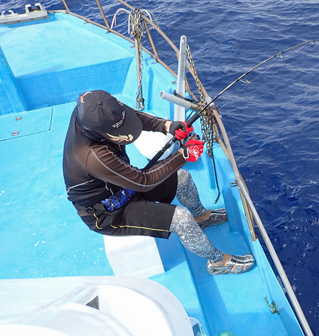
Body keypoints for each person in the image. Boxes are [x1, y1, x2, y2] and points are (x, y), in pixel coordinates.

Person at [62, 90, 254, 275]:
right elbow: (143, 182)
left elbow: (131, 116)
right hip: (108, 212)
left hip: (122, 186)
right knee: (181, 219)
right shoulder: (92, 156)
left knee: (183, 177)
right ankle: (218, 262)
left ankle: (201, 217)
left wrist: (167, 125)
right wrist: (183, 155)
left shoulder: (93, 108)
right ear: (101, 133)